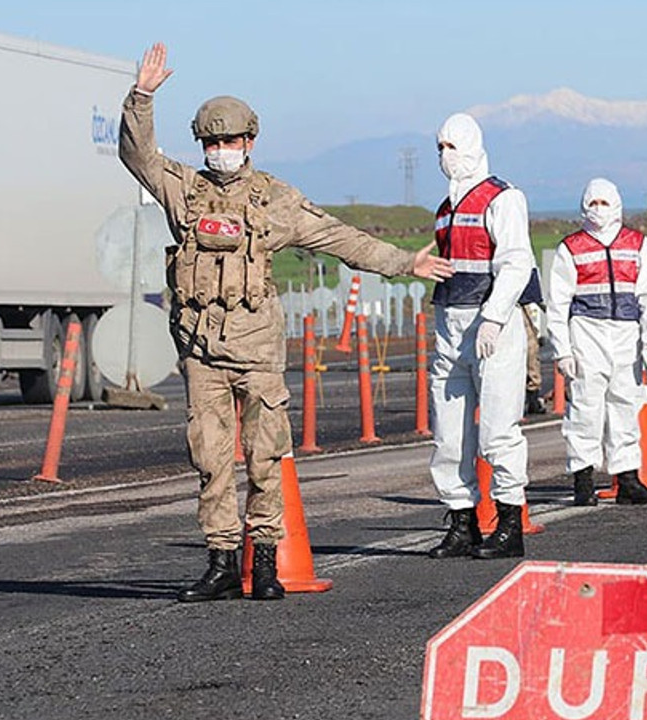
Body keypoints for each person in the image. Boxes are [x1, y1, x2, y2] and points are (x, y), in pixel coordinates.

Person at [119, 44, 453, 602]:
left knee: (265, 455)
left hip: (257, 348)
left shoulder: (275, 200)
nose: (221, 151)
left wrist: (404, 263)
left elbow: (341, 238)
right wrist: (143, 96)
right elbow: (138, 154)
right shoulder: (185, 191)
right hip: (201, 347)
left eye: (230, 141)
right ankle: (222, 562)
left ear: (250, 142)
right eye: (212, 142)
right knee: (210, 457)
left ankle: (267, 561)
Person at [427, 112, 535, 560]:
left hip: (491, 327)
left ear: (472, 146)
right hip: (450, 323)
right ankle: (461, 519)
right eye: (439, 147)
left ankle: (510, 521)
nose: (444, 155)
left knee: (497, 430)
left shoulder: (503, 199)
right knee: (448, 433)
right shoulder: (447, 207)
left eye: (451, 146)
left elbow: (515, 262)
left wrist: (494, 317)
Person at [547, 179, 647, 506]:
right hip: (586, 331)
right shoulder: (570, 248)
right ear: (583, 205)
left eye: (604, 202)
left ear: (616, 203)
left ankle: (628, 478)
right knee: (586, 407)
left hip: (627, 333)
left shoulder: (637, 244)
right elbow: (557, 303)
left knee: (625, 404)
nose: (598, 209)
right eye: (592, 202)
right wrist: (563, 349)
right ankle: (583, 478)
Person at [521, 281, 546, 416]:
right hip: (512, 304)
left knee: (531, 350)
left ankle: (532, 397)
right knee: (530, 349)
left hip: (520, 303)